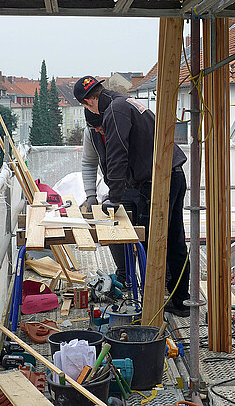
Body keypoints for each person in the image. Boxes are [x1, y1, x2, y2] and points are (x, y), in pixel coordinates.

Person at [74, 75, 190, 317]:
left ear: (88, 102)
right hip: (172, 173)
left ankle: (153, 307)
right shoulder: (125, 102)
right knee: (174, 238)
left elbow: (118, 155)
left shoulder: (115, 111)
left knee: (154, 242)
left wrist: (113, 199)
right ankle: (180, 300)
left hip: (160, 180)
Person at [80, 107, 146, 284]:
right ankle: (126, 277)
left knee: (147, 233)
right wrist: (91, 195)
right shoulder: (92, 132)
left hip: (144, 184)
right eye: (93, 127)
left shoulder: (122, 124)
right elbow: (88, 163)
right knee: (116, 229)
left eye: (100, 126)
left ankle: (154, 281)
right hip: (118, 188)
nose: (97, 130)